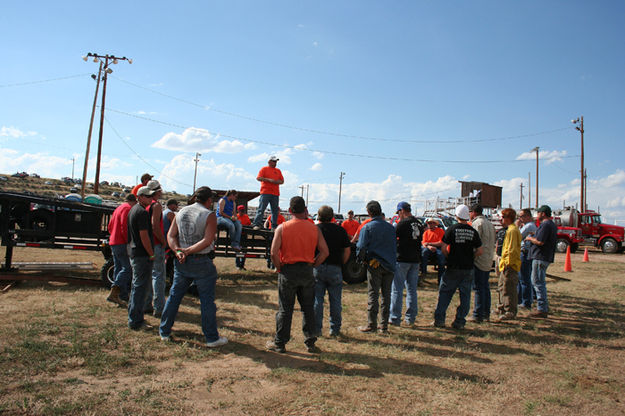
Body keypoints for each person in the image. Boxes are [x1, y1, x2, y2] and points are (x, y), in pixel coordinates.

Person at [159, 186, 228, 348]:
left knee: (175, 296)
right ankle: (211, 338)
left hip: (182, 261)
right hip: (201, 260)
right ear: (209, 200)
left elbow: (171, 235)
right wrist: (188, 251)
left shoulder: (180, 212)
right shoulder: (209, 215)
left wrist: (178, 251)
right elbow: (208, 239)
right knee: (207, 301)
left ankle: (164, 331)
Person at [266, 196, 329, 354]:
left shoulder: (282, 227)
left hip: (288, 270)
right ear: (305, 209)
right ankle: (310, 343)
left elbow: (273, 253)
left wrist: (279, 267)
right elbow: (325, 252)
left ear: (290, 210)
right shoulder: (314, 228)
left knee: (285, 309)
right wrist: (314, 264)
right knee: (308, 308)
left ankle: (280, 343)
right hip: (307, 270)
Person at [433, 205, 483, 330]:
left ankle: (439, 320)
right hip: (468, 268)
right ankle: (460, 321)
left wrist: (448, 257)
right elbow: (480, 250)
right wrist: (471, 257)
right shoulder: (472, 231)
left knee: (445, 293)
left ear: (456, 216)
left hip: (453, 267)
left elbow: (444, 247)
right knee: (465, 295)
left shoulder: (451, 229)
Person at [356, 200, 397, 333]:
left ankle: (371, 324)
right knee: (386, 295)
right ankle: (384, 325)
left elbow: (361, 247)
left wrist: (361, 260)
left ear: (369, 212)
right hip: (390, 265)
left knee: (373, 294)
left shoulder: (367, 227)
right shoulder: (391, 228)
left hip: (375, 265)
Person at [313, 205, 351, 337]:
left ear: (318, 216)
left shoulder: (315, 229)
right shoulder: (340, 230)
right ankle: (334, 330)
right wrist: (341, 263)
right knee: (335, 300)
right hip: (335, 267)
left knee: (317, 300)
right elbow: (347, 250)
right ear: (332, 216)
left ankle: (317, 329)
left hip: (318, 266)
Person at [127, 186, 156, 330]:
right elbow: (144, 236)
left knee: (136, 287)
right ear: (140, 197)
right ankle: (136, 321)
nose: (150, 199)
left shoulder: (133, 210)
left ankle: (134, 316)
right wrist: (151, 253)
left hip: (135, 253)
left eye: (151, 196)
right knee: (140, 289)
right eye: (148, 196)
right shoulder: (142, 213)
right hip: (142, 255)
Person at [389, 201, 422, 327]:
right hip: (415, 259)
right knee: (412, 290)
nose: (398, 215)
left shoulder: (402, 224)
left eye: (398, 212)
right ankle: (410, 318)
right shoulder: (419, 223)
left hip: (402, 259)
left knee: (397, 289)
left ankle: (395, 317)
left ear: (402, 210)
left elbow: (393, 239)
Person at [525, 205, 557, 318]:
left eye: (538, 213)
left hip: (540, 257)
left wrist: (529, 238)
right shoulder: (550, 225)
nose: (537, 215)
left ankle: (542, 309)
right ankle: (543, 307)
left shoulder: (545, 224)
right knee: (539, 282)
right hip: (545, 256)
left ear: (543, 213)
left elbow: (540, 242)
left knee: (537, 283)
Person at [106, 193, 137, 305]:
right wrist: (128, 241)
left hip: (114, 241)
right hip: (121, 242)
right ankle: (114, 291)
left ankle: (122, 295)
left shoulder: (119, 208)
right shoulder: (128, 209)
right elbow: (125, 227)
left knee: (118, 268)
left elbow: (110, 226)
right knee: (127, 269)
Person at [468, 204, 496, 323]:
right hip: (488, 258)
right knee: (485, 286)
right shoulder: (490, 224)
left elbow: (474, 242)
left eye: (470, 212)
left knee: (478, 287)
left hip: (479, 259)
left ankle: (477, 314)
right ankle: (485, 313)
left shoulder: (477, 224)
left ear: (473, 212)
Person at [143, 180, 167, 318]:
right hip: (156, 244)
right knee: (158, 275)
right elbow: (154, 226)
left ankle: (146, 304)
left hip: (146, 243)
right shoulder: (156, 205)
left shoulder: (145, 205)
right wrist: (163, 241)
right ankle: (159, 307)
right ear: (157, 191)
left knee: (148, 275)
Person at [496, 208, 522, 321]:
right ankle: (501, 307)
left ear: (508, 218)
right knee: (502, 287)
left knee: (508, 288)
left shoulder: (512, 231)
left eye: (503, 217)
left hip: (509, 265)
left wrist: (507, 263)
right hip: (505, 264)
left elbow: (511, 249)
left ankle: (510, 311)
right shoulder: (510, 230)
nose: (501, 219)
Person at [252, 156, 284, 230]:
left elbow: (282, 181)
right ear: (269, 162)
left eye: (276, 161)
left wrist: (275, 182)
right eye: (274, 161)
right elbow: (258, 178)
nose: (275, 163)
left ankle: (274, 226)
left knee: (275, 211)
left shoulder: (278, 170)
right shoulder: (264, 169)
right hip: (265, 192)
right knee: (261, 209)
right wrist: (269, 180)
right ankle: (256, 224)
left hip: (275, 193)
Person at [517, 208, 537, 309]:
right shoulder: (529, 226)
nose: (520, 218)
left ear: (528, 216)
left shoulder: (529, 226)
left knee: (524, 278)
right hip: (527, 253)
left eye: (522, 216)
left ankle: (526, 301)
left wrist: (516, 226)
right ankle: (522, 299)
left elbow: (517, 236)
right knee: (523, 278)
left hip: (524, 253)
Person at [420, 218, 446, 282]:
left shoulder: (441, 231)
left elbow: (441, 243)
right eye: (429, 223)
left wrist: (430, 244)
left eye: (432, 223)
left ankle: (441, 279)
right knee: (424, 252)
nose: (430, 224)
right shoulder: (426, 232)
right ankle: (424, 273)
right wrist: (429, 246)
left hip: (438, 248)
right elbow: (423, 243)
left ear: (435, 224)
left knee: (441, 257)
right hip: (428, 248)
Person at [235, 205, 251, 270]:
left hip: (244, 235)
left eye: (243, 211)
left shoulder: (246, 216)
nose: (242, 212)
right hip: (237, 236)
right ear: (238, 211)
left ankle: (242, 265)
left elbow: (249, 224)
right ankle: (238, 265)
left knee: (244, 250)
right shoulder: (236, 217)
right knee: (237, 250)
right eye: (240, 211)